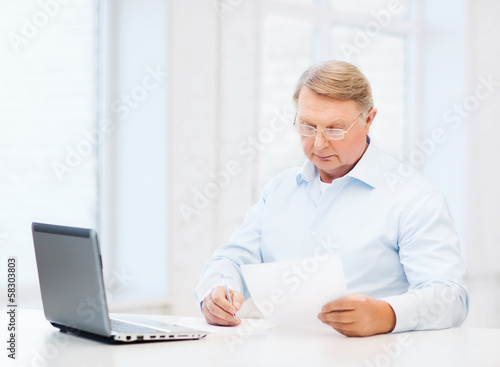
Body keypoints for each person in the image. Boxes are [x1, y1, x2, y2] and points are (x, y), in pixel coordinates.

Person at [194, 60, 469, 337]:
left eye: (335, 129)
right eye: (307, 126)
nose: (319, 143)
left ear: (369, 120)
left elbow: (450, 297)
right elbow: (232, 260)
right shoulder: (279, 190)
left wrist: (387, 314)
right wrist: (216, 292)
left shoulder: (414, 197)